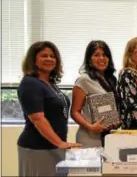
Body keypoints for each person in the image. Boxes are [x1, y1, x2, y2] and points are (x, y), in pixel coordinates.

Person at [17, 41, 81, 176]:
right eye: (44, 56)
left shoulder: (50, 83)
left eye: (52, 56)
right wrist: (60, 143)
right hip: (37, 148)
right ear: (33, 60)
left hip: (54, 146)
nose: (49, 59)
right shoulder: (30, 83)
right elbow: (38, 119)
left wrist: (60, 144)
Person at [71, 40, 119, 147]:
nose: (101, 58)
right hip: (89, 137)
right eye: (96, 55)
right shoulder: (84, 80)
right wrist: (90, 127)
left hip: (108, 137)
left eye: (105, 55)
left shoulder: (111, 80)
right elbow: (74, 112)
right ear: (89, 59)